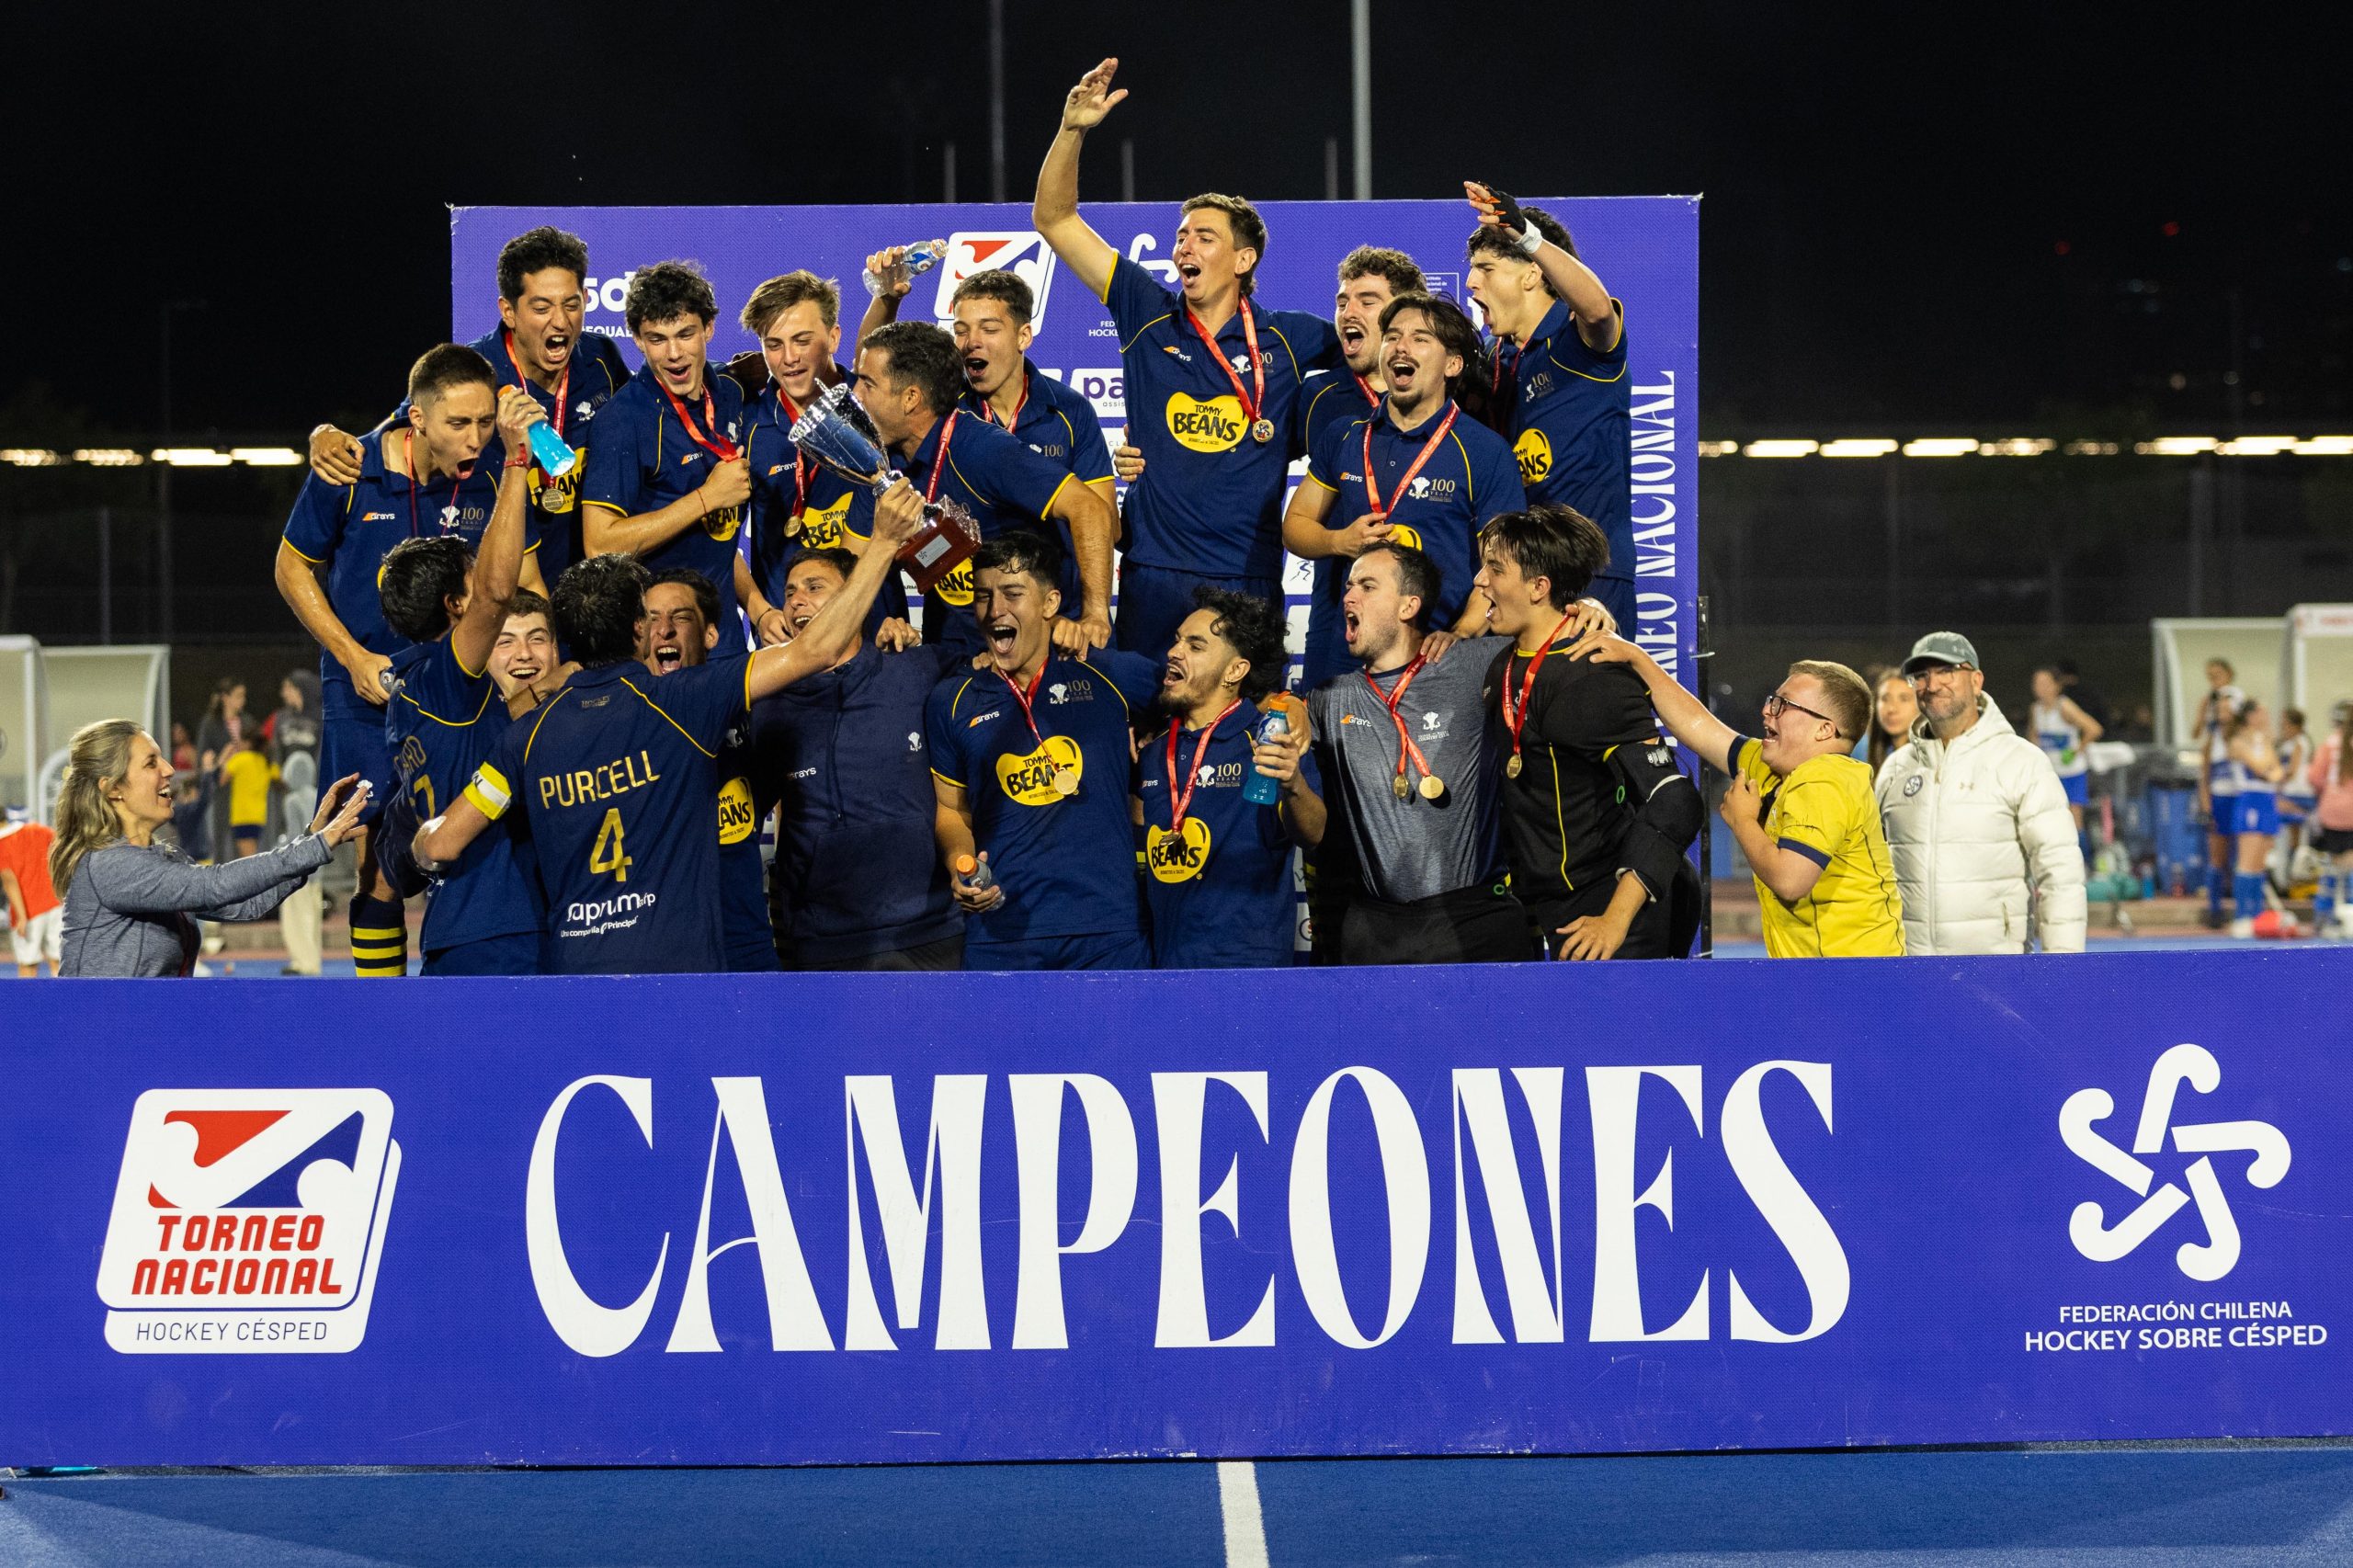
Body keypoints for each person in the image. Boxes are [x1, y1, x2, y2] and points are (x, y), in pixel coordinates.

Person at [415, 485, 925, 974]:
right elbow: (816, 650)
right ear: (638, 629)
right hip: (679, 972)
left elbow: (440, 846)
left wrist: (418, 838)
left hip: (576, 974)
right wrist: (881, 543)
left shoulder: (524, 737)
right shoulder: (684, 701)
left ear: (564, 636)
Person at [1030, 57, 1340, 659]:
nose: (1184, 247)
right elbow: (1054, 218)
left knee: (1243, 715)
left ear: (1243, 259)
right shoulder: (1144, 310)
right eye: (1181, 236)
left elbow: (1375, 355)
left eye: (1204, 237)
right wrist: (1072, 131)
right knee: (1149, 711)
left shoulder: (1291, 338)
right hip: (1153, 570)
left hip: (1246, 575)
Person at [278, 342, 531, 978]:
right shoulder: (348, 467)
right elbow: (290, 568)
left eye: (484, 421)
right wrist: (352, 656)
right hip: (365, 695)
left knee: (484, 841)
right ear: (416, 419)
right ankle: (382, 1010)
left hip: (462, 693)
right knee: (376, 865)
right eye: (458, 423)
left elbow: (522, 579)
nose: (475, 438)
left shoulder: (494, 469)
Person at [309, 226, 633, 586]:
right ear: (508, 311)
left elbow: (644, 413)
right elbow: (401, 432)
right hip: (506, 578)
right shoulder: (472, 372)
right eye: (542, 308)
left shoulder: (602, 358)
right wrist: (326, 434)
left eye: (572, 305)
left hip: (584, 580)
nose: (561, 321)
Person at [1578, 634, 1904, 958]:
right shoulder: (1776, 767)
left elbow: (1790, 881)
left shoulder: (1826, 779)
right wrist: (1637, 657)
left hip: (1855, 975)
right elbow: (1698, 725)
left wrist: (1743, 821)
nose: (1767, 710)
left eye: (1784, 705)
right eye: (1772, 700)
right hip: (1821, 972)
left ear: (1825, 730)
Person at [926, 530, 1161, 971]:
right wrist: (960, 865)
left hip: (1107, 930)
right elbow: (952, 810)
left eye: (1012, 594)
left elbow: (1202, 696)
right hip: (1001, 933)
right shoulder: (952, 701)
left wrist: (1286, 707)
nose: (995, 609)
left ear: (1051, 603)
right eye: (983, 596)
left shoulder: (1107, 674)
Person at [1472, 506, 1700, 960]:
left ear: (1539, 587)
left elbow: (1675, 801)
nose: (1479, 580)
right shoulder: (1502, 666)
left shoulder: (1592, 673)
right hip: (1556, 905)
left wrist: (1615, 920)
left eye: (1495, 569)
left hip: (1614, 910)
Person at [1292, 543, 1526, 965]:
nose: (1348, 597)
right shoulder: (1330, 698)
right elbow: (1273, 710)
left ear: (1408, 606)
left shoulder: (1477, 663)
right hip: (1375, 931)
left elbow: (1552, 641)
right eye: (1348, 586)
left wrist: (1590, 608)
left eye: (1367, 586)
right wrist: (1285, 707)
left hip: (1475, 924)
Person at [378, 384, 542, 974]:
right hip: (499, 931)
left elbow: (396, 862)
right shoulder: (449, 678)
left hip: (453, 931)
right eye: (471, 577)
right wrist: (516, 462)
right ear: (454, 605)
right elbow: (497, 592)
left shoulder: (408, 695)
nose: (488, 583)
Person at [1284, 291, 1525, 689]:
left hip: (1435, 654)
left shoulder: (1484, 451)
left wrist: (1463, 632)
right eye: (1393, 336)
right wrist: (1339, 541)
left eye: (1419, 338)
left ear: (1453, 364)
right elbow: (1295, 525)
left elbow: (1505, 564)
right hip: (1349, 651)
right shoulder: (1346, 436)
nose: (1400, 346)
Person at [752, 548, 969, 971]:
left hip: (933, 927)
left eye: (814, 588)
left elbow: (999, 672)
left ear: (859, 597)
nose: (796, 601)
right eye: (790, 592)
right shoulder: (768, 704)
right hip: (825, 938)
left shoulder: (920, 670)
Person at [845, 320, 1115, 657]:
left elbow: (1089, 507)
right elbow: (849, 562)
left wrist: (1095, 615)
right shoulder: (880, 463)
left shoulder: (981, 449)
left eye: (867, 383)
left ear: (911, 398)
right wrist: (880, 621)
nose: (855, 395)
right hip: (961, 651)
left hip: (1041, 651)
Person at [53, 720, 367, 978]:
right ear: (114, 789)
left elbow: (244, 906)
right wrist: (315, 846)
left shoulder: (164, 857)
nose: (168, 769)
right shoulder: (108, 864)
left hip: (144, 1025)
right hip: (101, 1030)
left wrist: (312, 837)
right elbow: (215, 885)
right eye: (151, 763)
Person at [1462, 183, 1637, 631]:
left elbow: (1599, 312)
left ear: (1531, 274)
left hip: (1590, 574)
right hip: (1517, 576)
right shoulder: (1495, 359)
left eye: (1486, 269)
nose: (1471, 283)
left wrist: (1527, 235)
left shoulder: (1575, 340)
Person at [1112, 244, 1426, 486]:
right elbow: (1239, 453)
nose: (1348, 313)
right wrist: (1150, 445)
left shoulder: (1446, 394)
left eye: (1367, 302)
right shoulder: (1320, 397)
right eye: (1342, 303)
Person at [579, 260, 770, 646]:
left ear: (709, 328)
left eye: (685, 334)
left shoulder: (730, 391)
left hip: (724, 639)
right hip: (659, 644)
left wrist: (757, 606)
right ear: (636, 338)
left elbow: (714, 542)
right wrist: (707, 498)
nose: (674, 354)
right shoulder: (623, 419)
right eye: (657, 339)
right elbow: (600, 545)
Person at [1873, 633, 2085, 955]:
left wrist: (2063, 965)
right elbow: (1873, 874)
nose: (1933, 684)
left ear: (1976, 681)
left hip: (1995, 968)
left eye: (1946, 671)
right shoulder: (1896, 768)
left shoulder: (2021, 762)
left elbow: (2060, 873)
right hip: (1910, 968)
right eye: (1922, 675)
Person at [1139, 588, 1317, 969]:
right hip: (1166, 966)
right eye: (1177, 640)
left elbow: (1314, 833)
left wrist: (1294, 785)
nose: (1174, 652)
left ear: (1235, 671)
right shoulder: (1155, 752)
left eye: (1195, 646)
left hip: (1247, 968)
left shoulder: (1271, 737)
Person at [735, 269, 907, 632]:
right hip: (792, 638)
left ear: (833, 337)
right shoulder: (748, 424)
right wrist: (760, 612)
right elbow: (717, 544)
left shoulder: (872, 405)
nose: (789, 358)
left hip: (877, 631)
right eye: (773, 344)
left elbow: (877, 350)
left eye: (802, 341)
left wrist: (887, 299)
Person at [641, 567, 782, 974]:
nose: (664, 630)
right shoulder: (616, 723)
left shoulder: (747, 717)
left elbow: (769, 787)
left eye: (681, 617)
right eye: (651, 618)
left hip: (744, 943)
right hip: (659, 951)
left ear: (711, 635)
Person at [2191, 657, 2245, 929]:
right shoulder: (2212, 740)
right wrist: (2206, 804)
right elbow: (2204, 773)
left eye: (2218, 674)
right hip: (2220, 798)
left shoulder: (2243, 737)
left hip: (2241, 797)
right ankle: (2215, 909)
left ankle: (2243, 908)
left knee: (2243, 856)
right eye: (2210, 675)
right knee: (2218, 855)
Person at [2222, 701, 2282, 938]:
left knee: (2260, 862)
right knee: (2247, 861)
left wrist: (2270, 769)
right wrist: (2266, 748)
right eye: (2261, 712)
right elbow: (2260, 767)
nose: (2266, 716)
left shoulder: (2262, 740)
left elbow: (2277, 772)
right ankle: (2241, 916)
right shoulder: (2238, 741)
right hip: (2250, 799)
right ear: (2249, 716)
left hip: (2267, 799)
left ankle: (2257, 915)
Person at [2029, 665, 2104, 840]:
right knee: (2047, 815)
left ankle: (2081, 854)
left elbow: (2094, 729)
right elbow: (2033, 736)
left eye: (2045, 683)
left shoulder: (2064, 706)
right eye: (2037, 683)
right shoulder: (2036, 709)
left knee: (2073, 818)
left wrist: (2076, 750)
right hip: (2050, 772)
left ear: (2056, 686)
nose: (2040, 688)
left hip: (2071, 772)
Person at [2305, 710, 2353, 937]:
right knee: (2350, 866)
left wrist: (2329, 793)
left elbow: (2314, 777)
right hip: (2350, 812)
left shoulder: (2330, 743)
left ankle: (2323, 916)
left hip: (2331, 812)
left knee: (2332, 866)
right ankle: (2348, 915)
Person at [0, 812, 61, 976]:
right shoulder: (36, 829)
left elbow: (10, 881)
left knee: (28, 964)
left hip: (29, 911)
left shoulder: (1, 845)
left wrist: (21, 917)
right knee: (59, 962)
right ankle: (62, 994)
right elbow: (60, 849)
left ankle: (28, 995)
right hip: (56, 904)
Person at [217, 731, 278, 858]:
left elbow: (221, 780)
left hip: (242, 816)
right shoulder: (265, 761)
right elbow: (278, 776)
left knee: (248, 859)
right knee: (252, 854)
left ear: (248, 743)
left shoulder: (240, 759)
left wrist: (224, 757)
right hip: (259, 817)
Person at [2278, 707, 2317, 869]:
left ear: (2296, 726)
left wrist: (2275, 781)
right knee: (2294, 837)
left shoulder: (2300, 743)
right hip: (2293, 792)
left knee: (2273, 811)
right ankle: (2291, 868)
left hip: (2298, 794)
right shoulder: (2289, 744)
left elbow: (2292, 771)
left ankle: (2294, 867)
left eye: (2285, 725)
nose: (2283, 729)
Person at [1863, 667, 1916, 773]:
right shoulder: (1862, 751)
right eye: (1885, 699)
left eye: (1904, 699)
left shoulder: (1932, 757)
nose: (1892, 709)